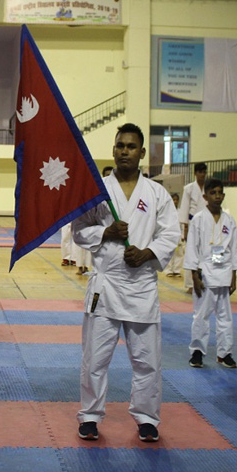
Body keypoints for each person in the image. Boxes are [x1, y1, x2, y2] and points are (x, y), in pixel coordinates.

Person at [72, 123, 180, 443]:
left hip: (142, 286)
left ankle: (146, 417)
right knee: (95, 357)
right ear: (113, 150)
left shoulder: (157, 193)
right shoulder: (98, 190)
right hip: (106, 286)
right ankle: (90, 415)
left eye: (131, 147)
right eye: (120, 146)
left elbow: (170, 234)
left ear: (142, 153)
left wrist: (148, 253)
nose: (124, 152)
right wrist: (105, 232)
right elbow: (79, 229)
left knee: (148, 360)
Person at [184, 178, 237, 369]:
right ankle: (197, 351)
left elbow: (235, 248)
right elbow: (192, 247)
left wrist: (234, 276)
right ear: (205, 196)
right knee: (201, 315)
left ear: (223, 195)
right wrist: (194, 275)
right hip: (205, 273)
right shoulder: (199, 219)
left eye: (220, 192)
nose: (217, 196)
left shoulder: (229, 220)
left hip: (225, 272)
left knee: (225, 317)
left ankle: (224, 353)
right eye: (213, 193)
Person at [179, 163, 208, 292]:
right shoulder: (189, 188)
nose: (202, 174)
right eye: (200, 172)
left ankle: (207, 281)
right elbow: (184, 208)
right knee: (191, 254)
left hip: (208, 224)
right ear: (195, 173)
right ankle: (190, 284)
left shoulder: (209, 188)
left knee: (208, 253)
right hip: (192, 224)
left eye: (204, 172)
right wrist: (185, 229)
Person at [164, 193, 185, 276]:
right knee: (169, 253)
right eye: (173, 199)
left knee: (179, 254)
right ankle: (168, 270)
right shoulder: (167, 212)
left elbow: (182, 225)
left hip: (179, 236)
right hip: (169, 235)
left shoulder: (181, 212)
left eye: (176, 200)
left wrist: (183, 235)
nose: (175, 201)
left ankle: (177, 270)